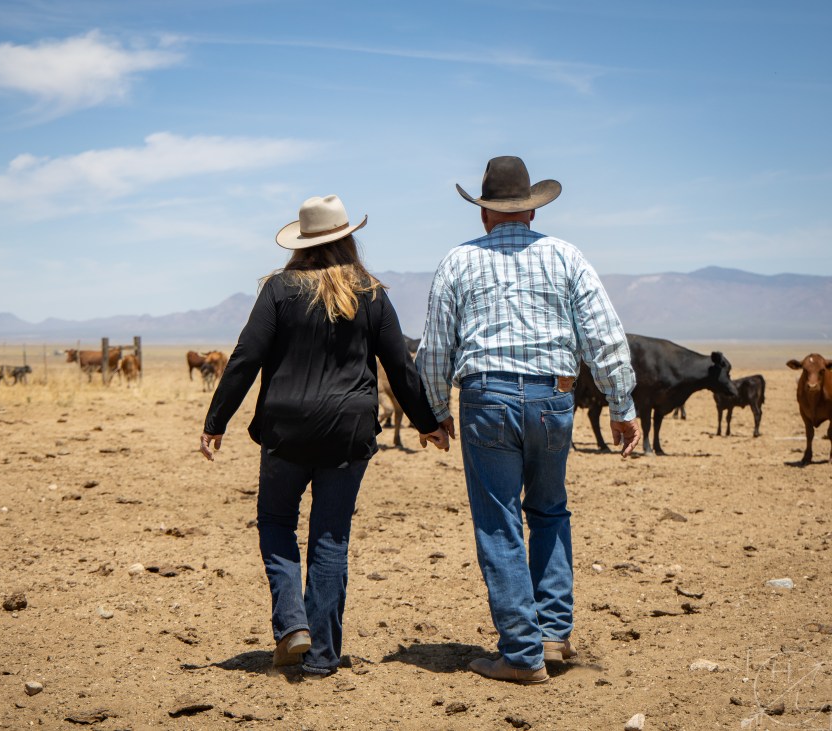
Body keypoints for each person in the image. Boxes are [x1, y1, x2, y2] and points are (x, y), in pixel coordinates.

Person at [199, 194, 450, 676]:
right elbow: (400, 367)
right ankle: (322, 658)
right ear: (348, 239)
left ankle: (293, 624)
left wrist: (216, 421)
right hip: (348, 432)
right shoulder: (371, 293)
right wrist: (427, 422)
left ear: (301, 243)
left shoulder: (278, 289)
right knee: (330, 538)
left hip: (286, 430)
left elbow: (246, 356)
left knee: (276, 523)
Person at [416, 156, 642, 684]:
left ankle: (521, 652)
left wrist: (436, 411)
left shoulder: (458, 261)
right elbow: (605, 337)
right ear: (533, 211)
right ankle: (553, 635)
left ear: (483, 213)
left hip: (487, 399)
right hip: (552, 398)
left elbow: (435, 350)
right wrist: (622, 406)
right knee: (549, 510)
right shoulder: (566, 256)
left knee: (499, 522)